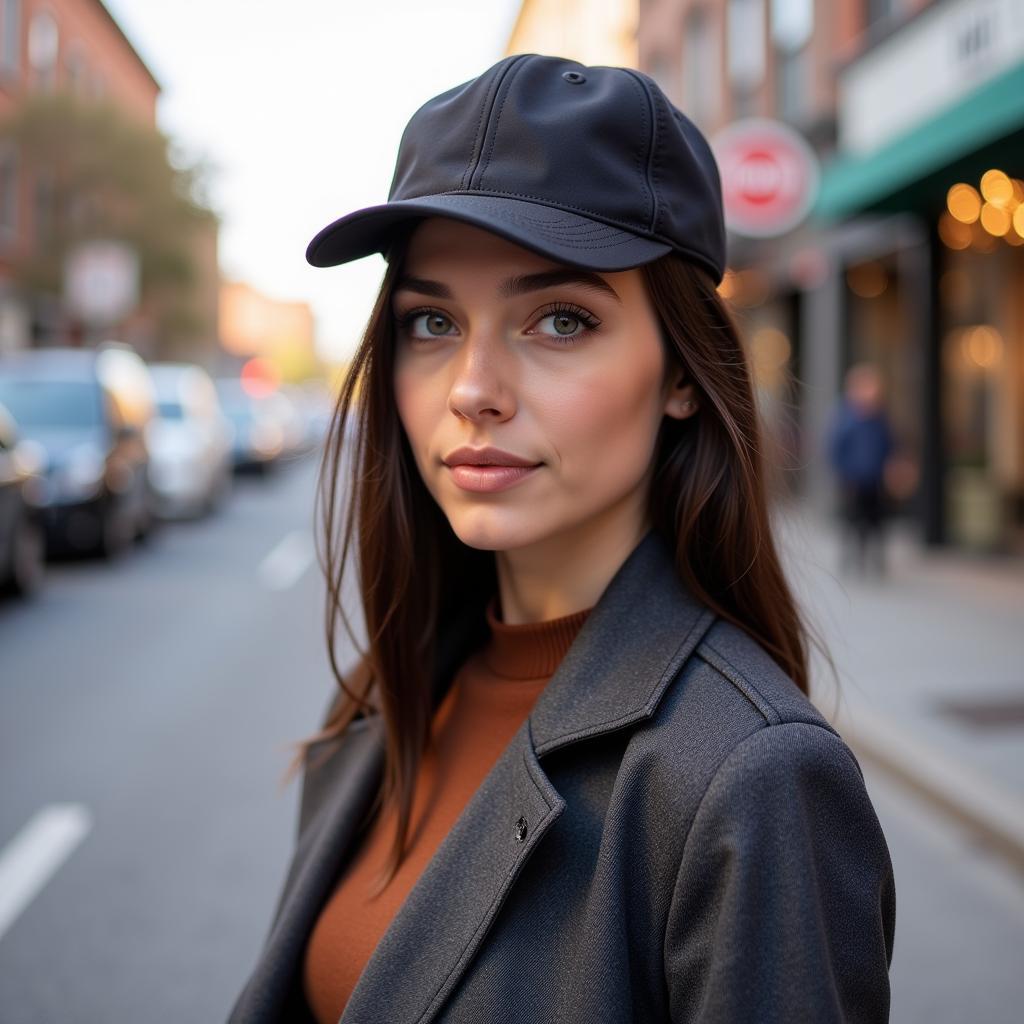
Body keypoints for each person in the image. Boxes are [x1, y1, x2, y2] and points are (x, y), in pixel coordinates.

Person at [229, 55, 895, 1023]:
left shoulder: (750, 782)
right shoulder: (388, 695)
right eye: (431, 321)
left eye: (559, 318)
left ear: (679, 372)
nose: (471, 387)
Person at [827, 363, 896, 577]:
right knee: (853, 521)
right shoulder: (846, 417)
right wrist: (844, 473)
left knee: (877, 521)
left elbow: (889, 444)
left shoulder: (880, 418)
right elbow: (834, 447)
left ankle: (876, 561)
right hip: (854, 479)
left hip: (875, 479)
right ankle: (852, 559)